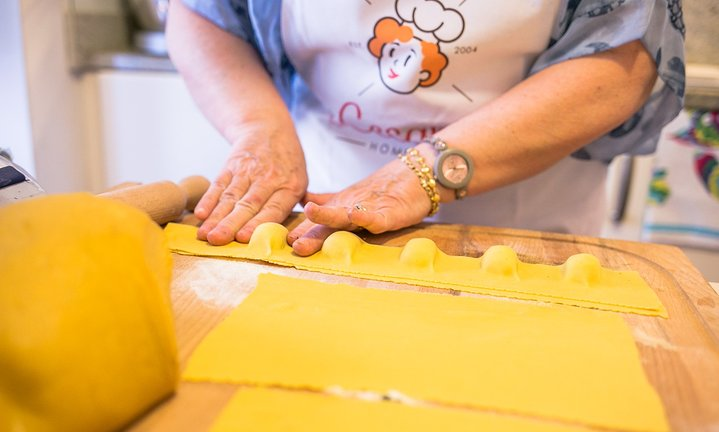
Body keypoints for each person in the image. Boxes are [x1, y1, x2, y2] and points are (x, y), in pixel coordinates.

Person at [166, 0, 685, 256]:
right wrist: (259, 127)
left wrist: (420, 175)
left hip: (523, 235)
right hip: (314, 219)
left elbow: (624, 55)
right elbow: (203, 13)